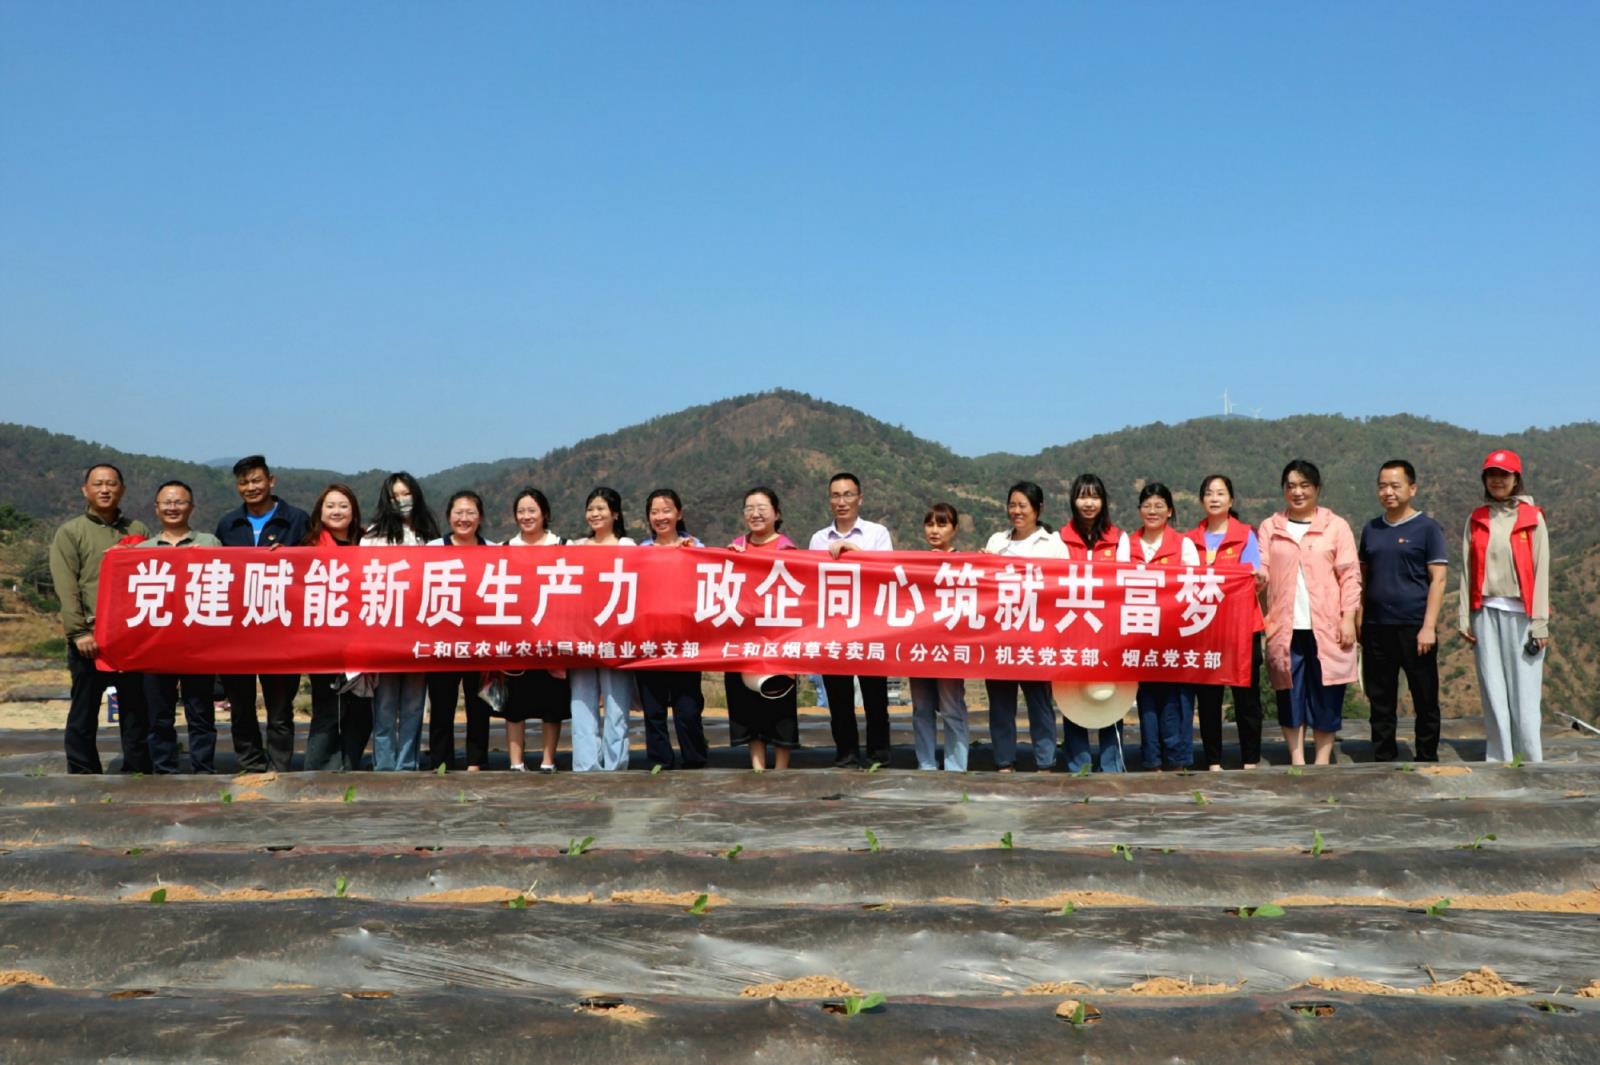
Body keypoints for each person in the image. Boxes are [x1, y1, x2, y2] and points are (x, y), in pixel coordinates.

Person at [49, 463, 153, 774]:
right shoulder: (71, 532)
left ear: (122, 489)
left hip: (131, 640)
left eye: (111, 484)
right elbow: (66, 587)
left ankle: (137, 768)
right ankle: (83, 771)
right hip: (89, 639)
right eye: (98, 484)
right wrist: (78, 631)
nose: (105, 489)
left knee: (136, 709)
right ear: (86, 490)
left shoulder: (138, 531)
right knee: (85, 708)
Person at [1259, 460, 1361, 767]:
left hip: (1327, 627)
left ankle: (1322, 760)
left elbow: (1350, 575)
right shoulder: (1270, 527)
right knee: (1289, 693)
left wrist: (1348, 618)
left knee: (1327, 693)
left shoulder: (1335, 526)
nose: (1297, 492)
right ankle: (1296, 759)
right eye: (1291, 486)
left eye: (1304, 485)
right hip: (1284, 626)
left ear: (1317, 489)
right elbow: (1260, 569)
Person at [213, 455, 310, 772]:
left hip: (282, 629)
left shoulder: (296, 519)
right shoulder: (228, 524)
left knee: (280, 707)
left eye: (256, 480)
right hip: (238, 631)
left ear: (271, 481)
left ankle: (280, 765)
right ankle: (250, 763)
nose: (250, 487)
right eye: (244, 482)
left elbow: (314, 567)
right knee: (241, 706)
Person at [1459, 449, 1550, 763]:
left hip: (1523, 615)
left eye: (1504, 474)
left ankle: (1530, 758)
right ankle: (1500, 758)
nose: (1497, 480)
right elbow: (1466, 570)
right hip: (1484, 612)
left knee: (1524, 692)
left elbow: (1542, 571)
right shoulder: (1477, 518)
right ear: (1485, 479)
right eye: (1492, 474)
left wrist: (1540, 622)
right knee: (1493, 689)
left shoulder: (1531, 517)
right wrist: (1465, 616)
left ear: (1516, 479)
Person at [1359, 460, 1449, 763]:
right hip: (1376, 625)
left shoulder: (1427, 528)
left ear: (1412, 488)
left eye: (1395, 486)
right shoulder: (1371, 529)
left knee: (1424, 696)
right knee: (1380, 699)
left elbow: (1438, 579)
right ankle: (1383, 757)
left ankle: (1426, 757)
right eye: (1382, 485)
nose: (1388, 492)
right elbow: (1363, 576)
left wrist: (1428, 626)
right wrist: (1360, 619)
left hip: (1414, 625)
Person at [981, 481, 1069, 772]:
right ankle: (1004, 759)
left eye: (1023, 506)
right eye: (1012, 505)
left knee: (1039, 703)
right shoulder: (996, 542)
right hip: (1000, 636)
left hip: (1037, 637)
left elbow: (1063, 586)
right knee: (1001, 703)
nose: (1016, 511)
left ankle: (1045, 760)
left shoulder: (1054, 544)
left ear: (1038, 509)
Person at [808, 472, 894, 768]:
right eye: (835, 495)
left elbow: (888, 572)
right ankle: (846, 753)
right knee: (839, 698)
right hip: (834, 628)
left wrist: (854, 552)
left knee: (875, 698)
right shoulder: (818, 538)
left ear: (860, 498)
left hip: (871, 627)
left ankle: (878, 754)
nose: (841, 501)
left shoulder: (876, 533)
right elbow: (809, 580)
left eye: (847, 495)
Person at [136, 480, 221, 774]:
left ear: (192, 507)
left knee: (200, 712)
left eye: (180, 502)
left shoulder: (209, 542)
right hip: (156, 645)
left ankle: (203, 769)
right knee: (159, 715)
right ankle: (165, 770)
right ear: (156, 508)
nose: (173, 507)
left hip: (198, 645)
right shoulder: (141, 550)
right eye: (167, 502)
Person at [1117, 483, 1201, 771]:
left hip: (1175, 636)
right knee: (1148, 700)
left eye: (1158, 506)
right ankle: (1151, 759)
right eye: (1146, 505)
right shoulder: (1126, 544)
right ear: (1139, 510)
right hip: (1139, 635)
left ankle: (1178, 760)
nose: (1152, 511)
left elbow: (1195, 588)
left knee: (1176, 699)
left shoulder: (1184, 544)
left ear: (1170, 510)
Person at [1186, 474, 1267, 770]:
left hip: (1242, 628)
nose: (1215, 498)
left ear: (1231, 500)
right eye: (1209, 493)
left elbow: (1254, 575)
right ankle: (1213, 761)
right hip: (1204, 630)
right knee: (1208, 699)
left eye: (1221, 493)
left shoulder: (1246, 535)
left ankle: (1251, 760)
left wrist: (1258, 578)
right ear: (1201, 500)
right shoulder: (1189, 541)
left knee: (1246, 696)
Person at [361, 472, 439, 771]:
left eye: (406, 494)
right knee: (384, 705)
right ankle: (384, 765)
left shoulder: (429, 536)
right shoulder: (372, 537)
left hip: (420, 632)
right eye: (395, 496)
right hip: (385, 633)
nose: (402, 501)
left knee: (413, 706)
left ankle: (407, 764)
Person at [299, 484, 373, 771]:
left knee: (360, 710)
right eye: (330, 506)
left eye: (343, 505)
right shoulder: (307, 547)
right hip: (323, 642)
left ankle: (348, 765)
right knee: (327, 710)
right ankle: (318, 771)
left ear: (353, 511)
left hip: (362, 640)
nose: (337, 511)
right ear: (320, 511)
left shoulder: (368, 544)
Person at [424, 490, 499, 770]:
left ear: (480, 518)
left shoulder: (493, 549)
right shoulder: (432, 548)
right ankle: (440, 760)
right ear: (448, 516)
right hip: (442, 642)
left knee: (479, 706)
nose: (463, 518)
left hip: (480, 644)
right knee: (441, 706)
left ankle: (476, 761)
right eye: (458, 513)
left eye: (470, 513)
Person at [1057, 473, 1127, 772]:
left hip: (1108, 630)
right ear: (1073, 500)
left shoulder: (1118, 538)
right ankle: (1078, 764)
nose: (1089, 503)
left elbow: (1124, 583)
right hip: (1071, 630)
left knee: (1110, 695)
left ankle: (1113, 763)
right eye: (1083, 496)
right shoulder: (1059, 538)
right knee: (1072, 697)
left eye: (1095, 496)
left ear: (1103, 501)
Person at [727, 487, 800, 769]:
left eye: (762, 508)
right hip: (743, 643)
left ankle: (781, 768)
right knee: (747, 707)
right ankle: (757, 766)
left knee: (779, 706)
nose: (755, 514)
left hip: (779, 642)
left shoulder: (789, 550)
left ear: (777, 513)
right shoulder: (736, 548)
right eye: (749, 508)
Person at [636, 488, 709, 770]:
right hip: (649, 642)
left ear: (679, 513)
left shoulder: (695, 548)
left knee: (687, 708)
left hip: (686, 642)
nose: (661, 517)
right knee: (653, 709)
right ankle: (660, 760)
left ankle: (695, 757)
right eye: (654, 512)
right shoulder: (639, 553)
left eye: (666, 510)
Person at [568, 487, 638, 771]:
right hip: (583, 635)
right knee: (582, 703)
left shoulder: (628, 546)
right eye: (591, 509)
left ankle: (615, 764)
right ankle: (586, 764)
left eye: (601, 509)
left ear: (615, 514)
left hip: (616, 636)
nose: (595, 514)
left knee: (616, 704)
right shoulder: (575, 548)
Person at [503, 487, 569, 771]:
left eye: (532, 510)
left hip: (553, 638)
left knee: (551, 704)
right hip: (517, 640)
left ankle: (547, 760)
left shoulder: (563, 546)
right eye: (521, 511)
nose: (526, 516)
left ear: (545, 514)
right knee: (514, 705)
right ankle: (516, 763)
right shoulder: (504, 548)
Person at [910, 503, 969, 772]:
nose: (934, 530)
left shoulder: (967, 565)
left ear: (955, 529)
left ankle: (956, 767)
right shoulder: (915, 564)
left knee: (951, 708)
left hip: (950, 649)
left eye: (942, 524)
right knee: (921, 708)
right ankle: (926, 764)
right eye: (930, 524)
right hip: (919, 648)